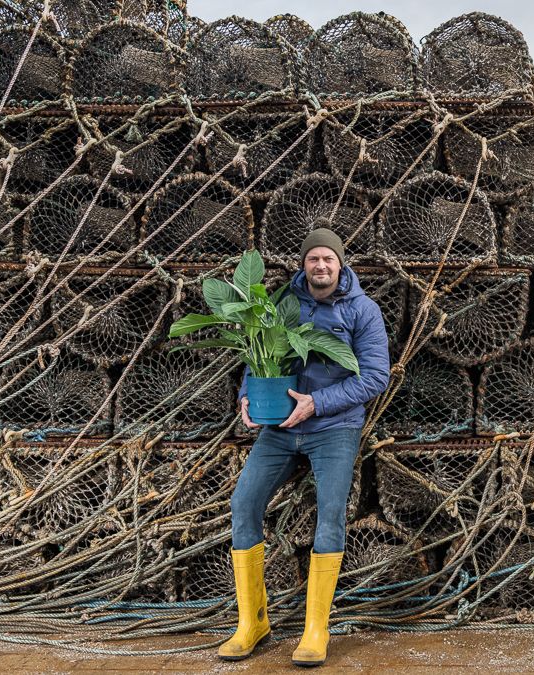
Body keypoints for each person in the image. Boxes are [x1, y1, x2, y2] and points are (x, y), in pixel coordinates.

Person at [217, 228, 390, 667]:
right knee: (244, 503)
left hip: (334, 427)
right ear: (303, 264)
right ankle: (252, 622)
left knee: (330, 516)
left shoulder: (363, 310)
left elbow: (374, 377)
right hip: (279, 426)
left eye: (328, 259)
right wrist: (248, 395)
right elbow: (256, 357)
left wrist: (317, 403)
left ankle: (316, 630)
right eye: (313, 258)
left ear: (340, 264)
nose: (321, 266)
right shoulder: (281, 304)